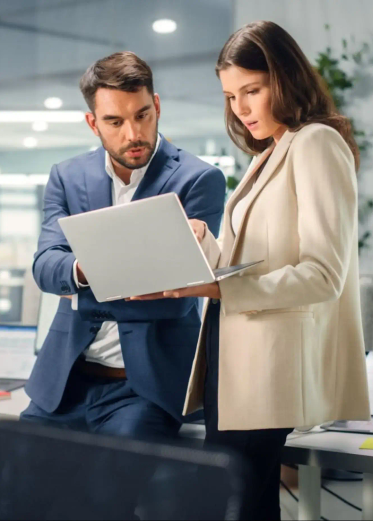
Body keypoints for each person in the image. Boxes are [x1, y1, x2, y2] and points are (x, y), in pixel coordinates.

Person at [132, 21, 370, 519]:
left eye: (252, 90)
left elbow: (324, 275)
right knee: (246, 504)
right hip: (234, 356)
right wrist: (205, 246)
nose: (240, 107)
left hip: (267, 365)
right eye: (230, 95)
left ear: (283, 79)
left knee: (237, 504)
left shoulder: (315, 143)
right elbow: (259, 259)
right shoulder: (269, 153)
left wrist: (218, 291)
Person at [22, 52, 226, 441]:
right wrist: (90, 271)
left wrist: (80, 291)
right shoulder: (67, 177)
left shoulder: (198, 179)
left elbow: (176, 297)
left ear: (158, 106)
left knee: (110, 496)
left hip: (144, 391)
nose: (133, 133)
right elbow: (46, 268)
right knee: (15, 490)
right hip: (64, 385)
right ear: (92, 123)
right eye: (115, 121)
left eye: (142, 115)